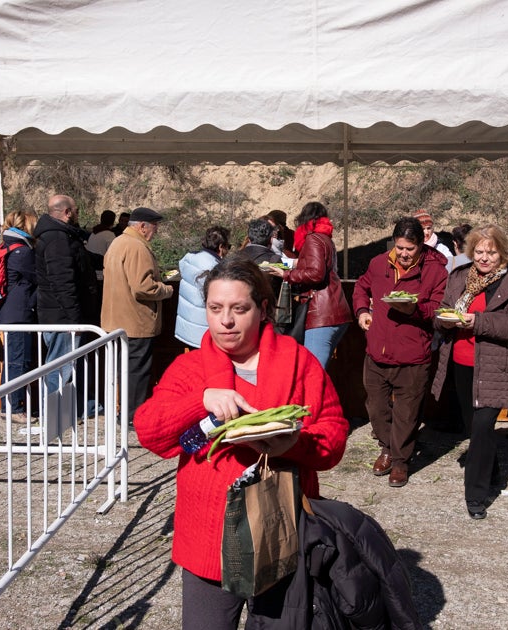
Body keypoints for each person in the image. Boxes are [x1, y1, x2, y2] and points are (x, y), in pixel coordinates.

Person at [134, 256, 348, 629]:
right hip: (209, 540)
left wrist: (292, 444)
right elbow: (151, 432)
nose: (226, 321)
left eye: (239, 308)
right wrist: (201, 400)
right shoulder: (190, 369)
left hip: (282, 535)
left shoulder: (300, 364)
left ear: (263, 309)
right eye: (215, 308)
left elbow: (333, 437)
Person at [431, 225, 508, 519]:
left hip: (495, 366)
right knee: (475, 428)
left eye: (491, 252)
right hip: (462, 364)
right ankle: (493, 471)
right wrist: (446, 320)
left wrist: (477, 322)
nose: (484, 258)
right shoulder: (460, 277)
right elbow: (442, 311)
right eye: (479, 251)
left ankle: (475, 496)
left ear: (502, 252)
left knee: (482, 426)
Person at [353, 216, 448, 487]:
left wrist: (414, 309)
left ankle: (400, 462)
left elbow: (439, 309)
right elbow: (361, 287)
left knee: (407, 414)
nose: (404, 254)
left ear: (421, 245)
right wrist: (362, 311)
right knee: (376, 408)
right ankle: (387, 448)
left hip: (413, 354)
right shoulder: (378, 263)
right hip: (377, 350)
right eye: (400, 247)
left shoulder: (436, 271)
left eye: (410, 249)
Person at [102, 207, 175, 418]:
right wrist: (166, 290)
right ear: (143, 226)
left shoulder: (118, 242)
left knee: (121, 369)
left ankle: (120, 411)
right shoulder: (137, 247)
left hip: (116, 319)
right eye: (155, 226)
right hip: (136, 321)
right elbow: (143, 287)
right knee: (136, 371)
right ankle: (132, 414)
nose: (156, 231)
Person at [267, 201, 352, 369]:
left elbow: (316, 273)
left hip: (321, 314)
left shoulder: (313, 239)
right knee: (318, 370)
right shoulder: (325, 239)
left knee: (313, 371)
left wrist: (286, 275)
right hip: (333, 310)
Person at [34, 194, 100, 393]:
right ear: (67, 212)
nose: (78, 214)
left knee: (69, 367)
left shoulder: (63, 236)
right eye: (77, 210)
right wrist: (74, 321)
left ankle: (79, 407)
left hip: (62, 316)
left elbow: (83, 260)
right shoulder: (57, 239)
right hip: (62, 319)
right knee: (60, 369)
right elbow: (62, 282)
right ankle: (52, 410)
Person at [0, 211, 38, 420]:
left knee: (12, 360)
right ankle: (14, 408)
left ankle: (9, 405)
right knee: (18, 361)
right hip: (19, 313)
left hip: (8, 310)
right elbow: (38, 277)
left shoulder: (5, 246)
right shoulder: (23, 251)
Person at [174, 225, 231, 348]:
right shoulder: (214, 268)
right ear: (221, 247)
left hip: (186, 327)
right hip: (203, 330)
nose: (228, 251)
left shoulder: (189, 259)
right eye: (228, 247)